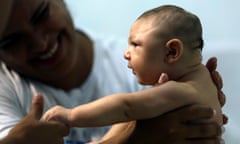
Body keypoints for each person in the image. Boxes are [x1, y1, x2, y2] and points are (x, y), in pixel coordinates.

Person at [0, 1, 226, 144]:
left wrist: (71, 116)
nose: (39, 43)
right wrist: (133, 137)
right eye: (11, 41)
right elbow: (136, 121)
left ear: (172, 51)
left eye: (135, 45)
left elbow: (126, 107)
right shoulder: (190, 79)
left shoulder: (168, 81)